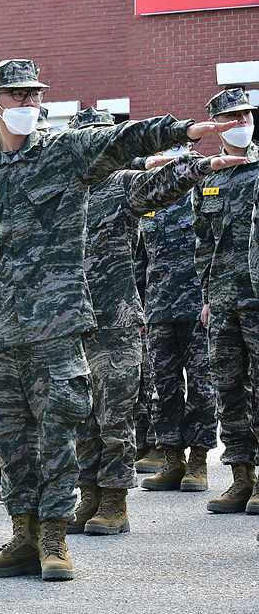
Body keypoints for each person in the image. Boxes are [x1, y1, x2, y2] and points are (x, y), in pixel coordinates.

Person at [0, 59, 230, 581]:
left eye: (36, 97)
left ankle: (55, 541)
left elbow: (126, 139)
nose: (29, 106)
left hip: (57, 327)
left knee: (59, 431)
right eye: (17, 98)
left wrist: (184, 132)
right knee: (10, 440)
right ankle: (22, 537)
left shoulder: (63, 153)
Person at [68, 107, 240, 537]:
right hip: (68, 321)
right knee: (79, 414)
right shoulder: (62, 190)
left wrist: (197, 166)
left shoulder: (122, 185)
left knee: (114, 413)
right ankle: (86, 496)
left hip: (116, 319)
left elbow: (162, 184)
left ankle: (113, 502)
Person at [193, 88, 259, 516]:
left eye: (247, 114)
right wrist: (205, 296)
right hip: (221, 300)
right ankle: (241, 478)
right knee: (228, 388)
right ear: (217, 124)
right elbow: (202, 243)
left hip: (257, 298)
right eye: (233, 116)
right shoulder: (209, 178)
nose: (243, 122)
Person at [137, 141, 217, 493]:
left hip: (196, 309)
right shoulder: (148, 202)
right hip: (157, 309)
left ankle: (198, 460)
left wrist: (213, 299)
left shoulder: (200, 194)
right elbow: (139, 260)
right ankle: (171, 458)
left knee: (201, 385)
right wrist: (138, 306)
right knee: (163, 386)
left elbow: (215, 247)